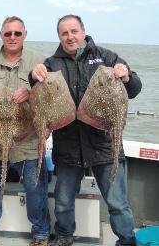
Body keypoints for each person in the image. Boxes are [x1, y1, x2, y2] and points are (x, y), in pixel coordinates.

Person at [30, 14, 142, 246]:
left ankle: (127, 240)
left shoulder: (106, 57)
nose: (70, 37)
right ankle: (64, 236)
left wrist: (127, 76)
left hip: (104, 143)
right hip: (68, 145)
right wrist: (33, 77)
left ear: (83, 31)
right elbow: (38, 96)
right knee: (63, 201)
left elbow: (134, 89)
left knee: (117, 202)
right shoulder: (52, 64)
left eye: (74, 31)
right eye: (64, 33)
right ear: (59, 36)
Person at [0, 16, 51, 246]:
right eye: (8, 34)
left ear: (25, 34)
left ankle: (41, 233)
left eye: (17, 33)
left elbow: (49, 94)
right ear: (1, 36)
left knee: (35, 190)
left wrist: (30, 91)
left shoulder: (38, 60)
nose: (12, 37)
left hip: (28, 141)